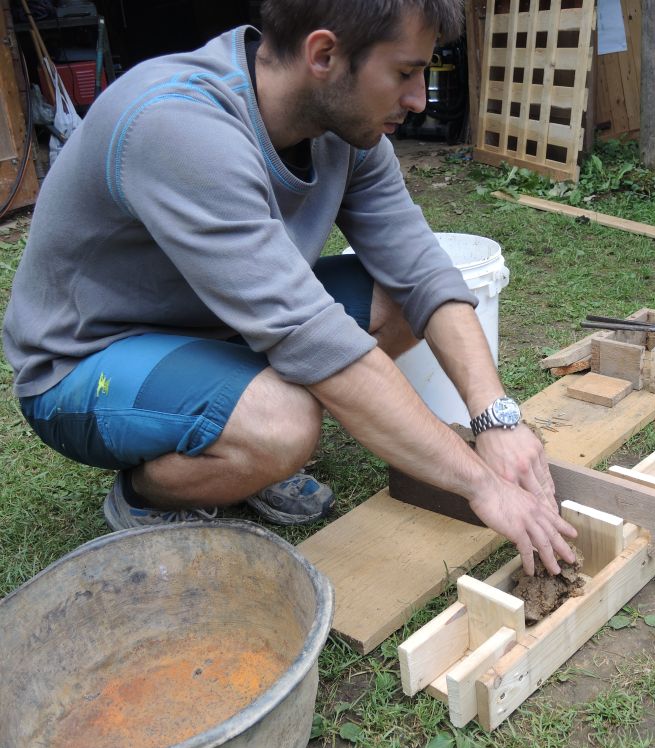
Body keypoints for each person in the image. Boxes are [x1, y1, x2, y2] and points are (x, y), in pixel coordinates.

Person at [2, 0, 576, 575]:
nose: (417, 99)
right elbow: (314, 339)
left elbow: (422, 271)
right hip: (86, 360)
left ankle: (236, 435)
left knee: (403, 300)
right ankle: (147, 494)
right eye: (404, 72)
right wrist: (482, 484)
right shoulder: (179, 126)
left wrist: (496, 418)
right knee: (283, 424)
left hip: (216, 324)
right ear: (323, 55)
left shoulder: (348, 130)